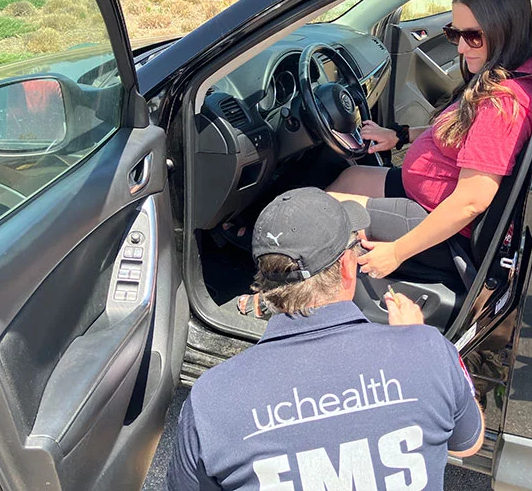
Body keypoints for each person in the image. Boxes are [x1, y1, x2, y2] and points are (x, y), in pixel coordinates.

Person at [167, 187, 485, 490]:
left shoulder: (211, 401)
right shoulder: (427, 352)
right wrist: (414, 341)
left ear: (263, 282)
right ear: (348, 267)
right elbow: (469, 442)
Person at [326, 0, 532, 281]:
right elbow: (465, 134)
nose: (459, 47)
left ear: (505, 30)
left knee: (314, 211)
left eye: (472, 36)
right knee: (351, 177)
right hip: (431, 193)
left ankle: (296, 297)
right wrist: (401, 136)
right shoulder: (524, 67)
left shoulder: (503, 103)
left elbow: (472, 200)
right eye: (454, 33)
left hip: (444, 227)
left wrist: (397, 252)